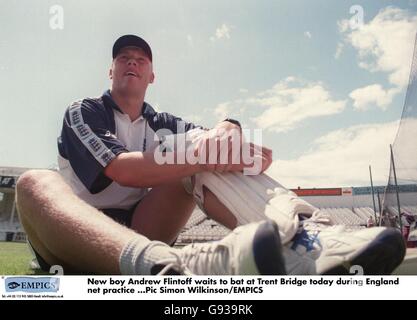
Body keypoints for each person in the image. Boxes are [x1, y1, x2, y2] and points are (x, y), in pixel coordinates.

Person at [16, 35, 405, 276]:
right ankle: (164, 264)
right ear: (111, 70)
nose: (132, 61)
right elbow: (122, 171)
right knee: (33, 182)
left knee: (205, 152)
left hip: (141, 227)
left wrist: (226, 132)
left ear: (152, 75)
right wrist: (208, 152)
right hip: (71, 240)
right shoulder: (84, 110)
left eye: (141, 58)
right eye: (123, 57)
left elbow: (233, 142)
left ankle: (308, 240)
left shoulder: (162, 122)